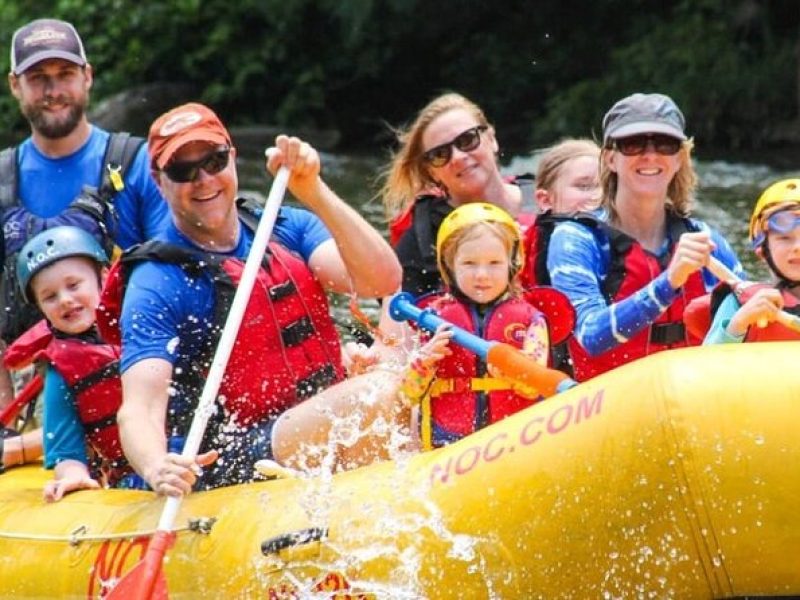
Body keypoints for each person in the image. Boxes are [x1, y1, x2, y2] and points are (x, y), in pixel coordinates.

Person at [110, 103, 402, 496]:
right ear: (158, 180)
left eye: (213, 161)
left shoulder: (286, 226)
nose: (204, 180)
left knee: (402, 377)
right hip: (230, 455)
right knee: (373, 396)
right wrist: (155, 465)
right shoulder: (156, 282)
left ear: (233, 158)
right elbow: (139, 408)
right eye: (183, 170)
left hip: (317, 420)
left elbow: (382, 280)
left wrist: (313, 189)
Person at [0, 18, 170, 408]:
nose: (54, 90)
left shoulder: (139, 164)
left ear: (87, 77)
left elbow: (174, 280)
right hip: (32, 398)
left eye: (65, 74)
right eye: (38, 77)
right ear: (15, 86)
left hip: (131, 382)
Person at [546, 92, 744, 381]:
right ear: (610, 158)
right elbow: (590, 335)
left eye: (665, 144)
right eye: (633, 143)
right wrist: (669, 282)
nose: (650, 155)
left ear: (679, 159)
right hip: (611, 403)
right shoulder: (576, 239)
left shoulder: (703, 238)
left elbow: (744, 323)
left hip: (694, 398)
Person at [399, 203, 567, 449]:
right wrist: (425, 361)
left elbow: (532, 389)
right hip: (449, 444)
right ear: (449, 267)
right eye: (469, 263)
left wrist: (508, 368)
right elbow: (408, 394)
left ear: (512, 264)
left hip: (516, 441)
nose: (482, 274)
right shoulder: (435, 321)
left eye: (494, 263)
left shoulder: (532, 321)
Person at [3, 226, 134, 501]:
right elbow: (66, 451)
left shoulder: (144, 323)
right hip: (135, 477)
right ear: (40, 308)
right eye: (50, 297)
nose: (65, 300)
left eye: (74, 285)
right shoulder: (61, 369)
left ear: (103, 278)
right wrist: (73, 474)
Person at [380, 92, 535, 297]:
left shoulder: (550, 201)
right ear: (431, 171)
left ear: (491, 139)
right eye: (440, 154)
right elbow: (395, 321)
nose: (458, 157)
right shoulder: (423, 238)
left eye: (467, 139)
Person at [703, 179, 800, 344]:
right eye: (785, 238)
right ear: (763, 252)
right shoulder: (738, 307)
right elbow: (703, 367)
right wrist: (737, 326)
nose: (798, 247)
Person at [520, 138, 601, 289]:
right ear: (545, 200)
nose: (599, 195)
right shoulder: (521, 257)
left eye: (607, 185)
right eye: (584, 186)